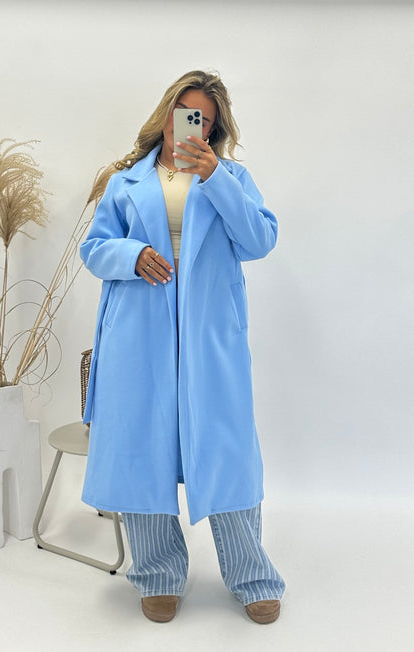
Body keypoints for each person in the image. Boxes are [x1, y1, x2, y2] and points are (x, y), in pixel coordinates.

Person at [80, 70, 286, 624]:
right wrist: (131, 255)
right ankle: (158, 574)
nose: (192, 126)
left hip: (209, 335)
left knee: (226, 449)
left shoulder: (232, 177)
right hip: (138, 332)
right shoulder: (126, 181)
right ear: (167, 113)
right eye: (185, 112)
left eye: (205, 120)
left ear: (213, 129)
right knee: (142, 450)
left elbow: (259, 240)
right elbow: (94, 249)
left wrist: (215, 176)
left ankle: (252, 576)